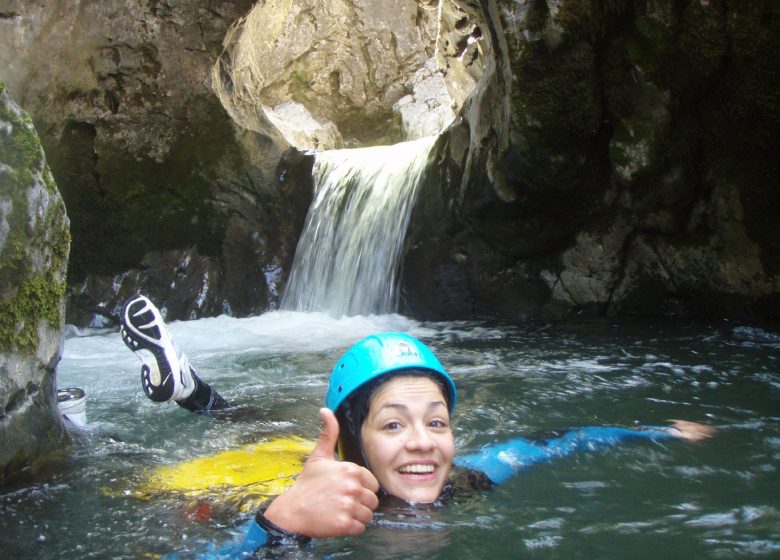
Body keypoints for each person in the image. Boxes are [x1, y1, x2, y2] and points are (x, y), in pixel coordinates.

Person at [120, 294, 714, 555]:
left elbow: (558, 442)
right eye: (395, 426)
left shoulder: (472, 476)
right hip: (261, 486)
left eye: (437, 421)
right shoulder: (303, 508)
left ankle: (195, 391)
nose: (426, 440)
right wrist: (275, 528)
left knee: (260, 424)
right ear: (356, 444)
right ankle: (196, 395)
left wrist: (657, 432)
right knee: (248, 437)